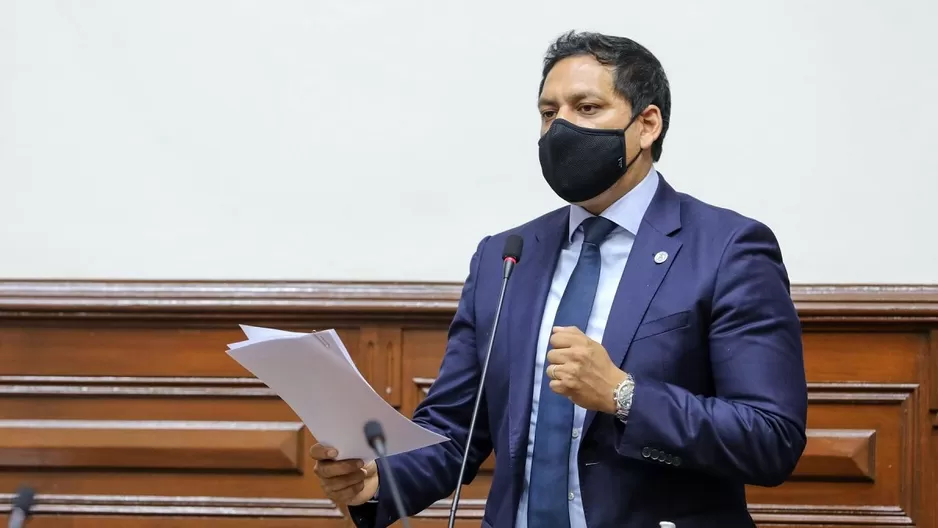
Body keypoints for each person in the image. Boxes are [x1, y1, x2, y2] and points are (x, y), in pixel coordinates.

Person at [310, 30, 808, 528]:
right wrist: (381, 481)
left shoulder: (727, 249)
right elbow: (456, 427)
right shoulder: (505, 257)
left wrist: (623, 395)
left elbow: (770, 438)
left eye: (586, 108)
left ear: (647, 124)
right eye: (549, 113)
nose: (560, 128)